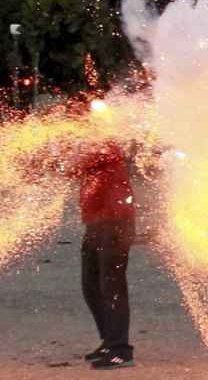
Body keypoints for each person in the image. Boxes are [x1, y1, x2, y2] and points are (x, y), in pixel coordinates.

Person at [71, 139, 137, 369]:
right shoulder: (90, 140)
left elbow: (75, 165)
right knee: (91, 285)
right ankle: (109, 341)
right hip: (96, 222)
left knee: (112, 286)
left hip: (115, 222)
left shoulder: (104, 142)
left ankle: (121, 350)